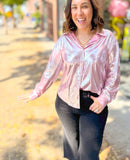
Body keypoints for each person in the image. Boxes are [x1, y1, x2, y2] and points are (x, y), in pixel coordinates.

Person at [18, 0, 120, 159]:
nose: (79, 13)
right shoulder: (64, 41)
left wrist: (104, 98)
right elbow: (51, 70)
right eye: (74, 7)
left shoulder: (107, 38)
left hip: (94, 104)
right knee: (72, 151)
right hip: (65, 103)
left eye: (84, 6)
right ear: (70, 11)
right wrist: (37, 91)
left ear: (92, 8)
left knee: (88, 155)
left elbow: (114, 73)